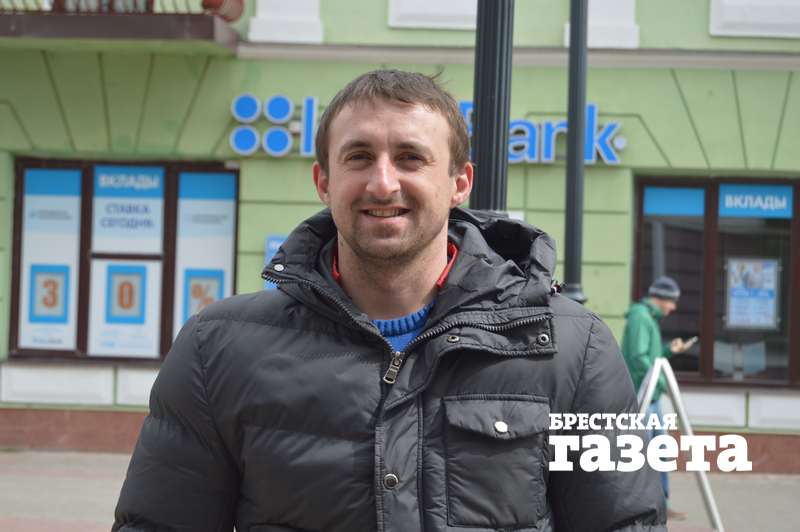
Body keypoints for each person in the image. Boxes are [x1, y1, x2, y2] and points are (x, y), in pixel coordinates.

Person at [113, 69, 666, 532]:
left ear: (459, 182)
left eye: (410, 158)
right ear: (323, 181)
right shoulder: (217, 348)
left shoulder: (573, 348)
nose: (382, 183)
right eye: (358, 157)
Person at [621, 275, 693, 520]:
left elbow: (648, 359)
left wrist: (668, 351)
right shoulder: (641, 317)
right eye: (672, 301)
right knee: (644, 454)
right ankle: (642, 507)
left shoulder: (648, 318)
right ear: (660, 298)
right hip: (642, 396)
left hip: (651, 396)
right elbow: (638, 359)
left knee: (659, 451)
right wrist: (663, 383)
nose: (673, 308)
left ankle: (660, 504)